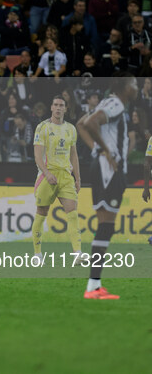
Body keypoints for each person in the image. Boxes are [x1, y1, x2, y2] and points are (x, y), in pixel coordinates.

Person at [77, 73, 138, 299]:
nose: (136, 86)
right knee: (106, 225)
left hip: (104, 167)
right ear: (124, 86)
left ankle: (94, 285)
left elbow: (81, 124)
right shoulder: (115, 104)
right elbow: (90, 123)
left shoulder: (108, 103)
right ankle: (93, 286)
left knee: (106, 225)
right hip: (109, 170)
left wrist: (97, 149)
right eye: (133, 83)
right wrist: (106, 151)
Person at [31, 95, 86, 267]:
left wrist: (77, 177)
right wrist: (47, 173)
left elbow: (74, 154)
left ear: (66, 109)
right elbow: (37, 155)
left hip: (65, 175)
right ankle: (37, 254)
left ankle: (77, 253)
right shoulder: (43, 127)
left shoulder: (71, 129)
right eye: (55, 105)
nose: (58, 108)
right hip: (48, 175)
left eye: (61, 105)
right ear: (51, 107)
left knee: (72, 212)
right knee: (41, 214)